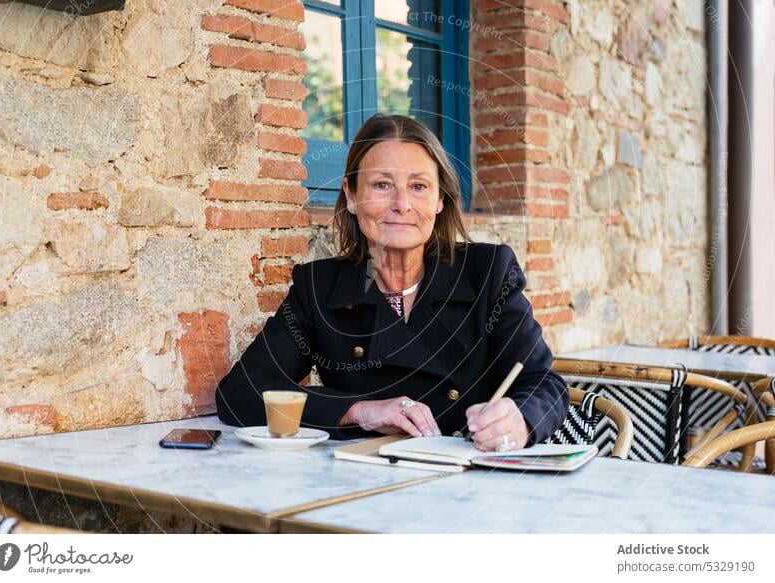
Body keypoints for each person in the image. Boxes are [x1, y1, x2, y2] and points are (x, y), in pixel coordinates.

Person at [216, 114, 568, 452]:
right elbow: (242, 391)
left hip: (471, 483)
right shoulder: (319, 289)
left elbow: (544, 383)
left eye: (419, 186)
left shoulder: (488, 272)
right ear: (352, 197)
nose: (401, 204)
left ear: (439, 200)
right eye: (382, 185)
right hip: (361, 483)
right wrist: (358, 410)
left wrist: (519, 420)